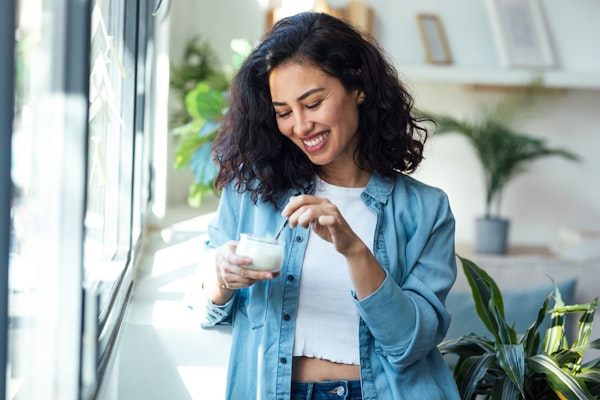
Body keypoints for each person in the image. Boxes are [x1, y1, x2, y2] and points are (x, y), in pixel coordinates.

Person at [199, 11, 460, 400]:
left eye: (314, 103)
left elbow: (408, 345)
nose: (300, 126)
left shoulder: (426, 211)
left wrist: (354, 250)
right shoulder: (254, 191)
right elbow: (208, 305)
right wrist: (221, 276)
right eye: (284, 112)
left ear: (358, 86)